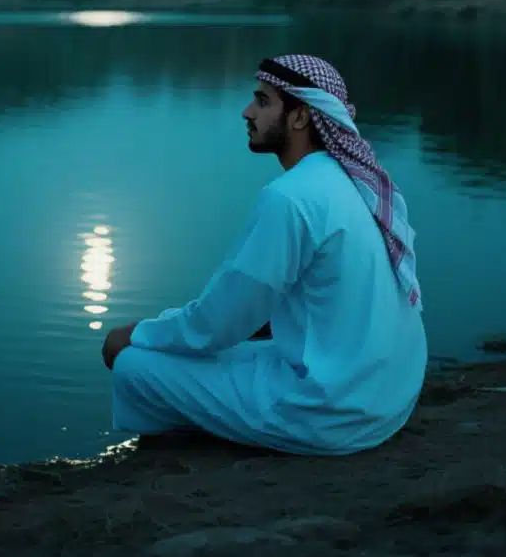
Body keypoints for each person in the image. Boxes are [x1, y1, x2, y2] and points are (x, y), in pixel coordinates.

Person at [101, 54, 427, 455]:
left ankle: (176, 447)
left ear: (300, 117)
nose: (247, 112)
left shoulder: (291, 197)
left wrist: (138, 333)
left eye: (262, 101)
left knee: (133, 365)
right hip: (390, 398)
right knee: (232, 348)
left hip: (334, 414)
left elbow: (217, 323)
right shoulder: (354, 183)